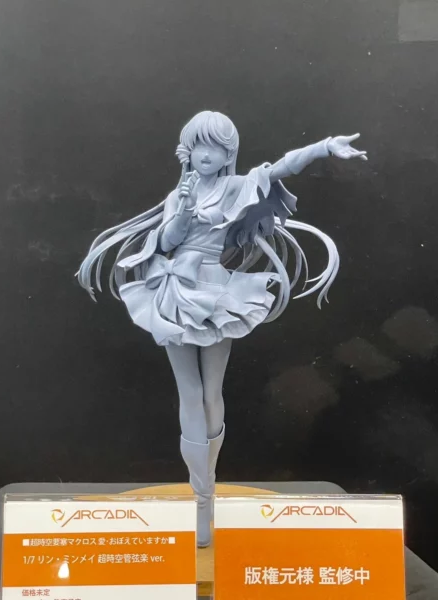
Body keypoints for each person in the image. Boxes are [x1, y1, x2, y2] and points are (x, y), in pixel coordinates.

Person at [77, 110, 367, 547]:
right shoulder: (179, 192)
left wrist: (324, 147)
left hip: (217, 294)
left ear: (228, 152)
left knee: (212, 391)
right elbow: (168, 241)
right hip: (175, 291)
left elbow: (281, 168)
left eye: (214, 146)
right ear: (187, 150)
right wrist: (183, 208)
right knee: (189, 392)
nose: (205, 154)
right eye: (198, 145)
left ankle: (206, 491)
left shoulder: (236, 186)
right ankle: (201, 500)